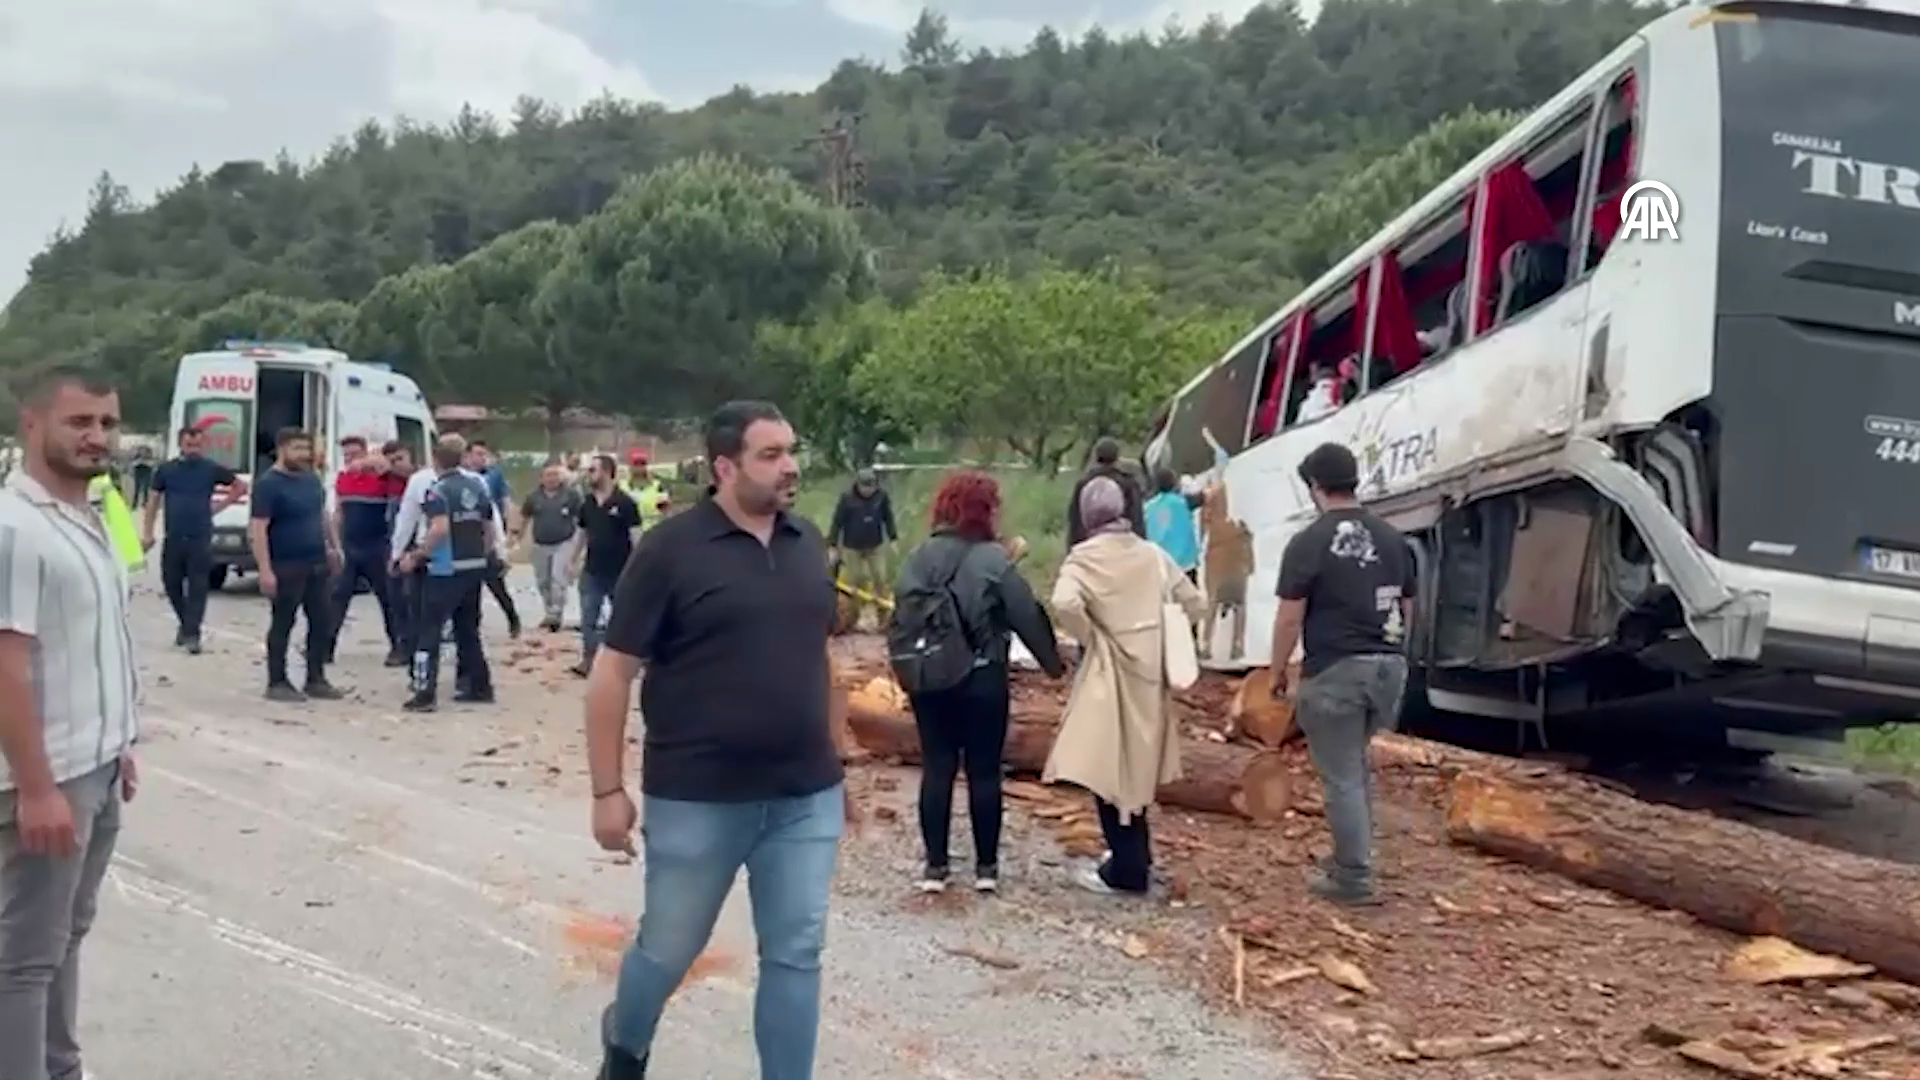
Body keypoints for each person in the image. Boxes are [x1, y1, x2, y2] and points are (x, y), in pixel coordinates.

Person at [585, 400, 846, 1080]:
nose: (790, 466)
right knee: (669, 949)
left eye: (791, 450)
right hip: (698, 796)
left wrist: (837, 756)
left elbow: (818, 654)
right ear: (724, 466)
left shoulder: (807, 542)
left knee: (796, 952)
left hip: (803, 797)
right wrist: (607, 791)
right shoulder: (670, 550)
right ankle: (627, 1045)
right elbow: (612, 672)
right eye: (770, 454)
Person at [0, 364, 140, 1080]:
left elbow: (95, 643)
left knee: (64, 939)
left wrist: (122, 743)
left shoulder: (84, 516)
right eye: (79, 422)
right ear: (32, 424)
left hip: (97, 764)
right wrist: (36, 788)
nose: (97, 437)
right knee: (22, 962)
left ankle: (59, 1068)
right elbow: (5, 664)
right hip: (48, 776)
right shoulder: (14, 528)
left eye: (107, 423)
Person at [894, 470, 1062, 894]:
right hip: (983, 676)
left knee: (937, 768)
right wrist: (1054, 666)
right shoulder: (994, 560)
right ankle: (985, 869)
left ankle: (935, 868)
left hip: (928, 673)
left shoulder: (918, 556)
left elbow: (900, 614)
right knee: (984, 772)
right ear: (986, 512)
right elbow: (1027, 613)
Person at [1044, 476, 1207, 896]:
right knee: (1139, 766)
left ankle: (1127, 870)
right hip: (1151, 675)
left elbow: (1064, 602)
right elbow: (1195, 602)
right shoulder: (1153, 557)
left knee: (1107, 767)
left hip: (1109, 671)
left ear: (1086, 517)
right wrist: (1162, 629)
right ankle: (1136, 858)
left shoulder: (1083, 560)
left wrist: (1092, 634)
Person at [1269, 442, 1414, 907]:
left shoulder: (1309, 541)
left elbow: (1290, 617)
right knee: (1354, 767)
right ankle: (1352, 856)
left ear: (1315, 486)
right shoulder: (1394, 538)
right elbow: (1409, 607)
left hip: (1336, 670)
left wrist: (1277, 673)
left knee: (1343, 777)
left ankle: (1353, 877)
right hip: (1389, 667)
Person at [398, 439, 497, 711]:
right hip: (473, 566)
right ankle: (480, 686)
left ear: (435, 460)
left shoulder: (437, 492)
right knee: (467, 630)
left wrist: (418, 555)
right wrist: (485, 554)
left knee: (428, 631)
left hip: (444, 569)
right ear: (462, 458)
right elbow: (488, 526)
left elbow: (439, 529)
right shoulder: (477, 486)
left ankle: (424, 693)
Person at [249, 427, 345, 702]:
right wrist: (265, 569)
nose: (304, 454)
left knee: (321, 621)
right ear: (282, 449)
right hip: (285, 564)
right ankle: (277, 681)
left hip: (316, 562)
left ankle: (316, 678)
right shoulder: (268, 484)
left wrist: (333, 547)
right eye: (297, 448)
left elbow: (322, 516)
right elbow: (258, 529)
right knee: (283, 622)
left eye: (306, 449)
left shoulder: (311, 480)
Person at [142, 423, 245, 653]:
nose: (193, 447)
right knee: (171, 583)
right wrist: (147, 532)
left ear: (203, 445)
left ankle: (192, 634)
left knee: (198, 586)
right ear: (180, 444)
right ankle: (186, 623)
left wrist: (219, 506)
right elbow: (152, 502)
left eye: (198, 443)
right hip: (174, 535)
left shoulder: (210, 469)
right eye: (189, 443)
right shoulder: (166, 470)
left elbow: (240, 487)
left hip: (200, 535)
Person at [325, 435, 403, 666]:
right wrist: (335, 545)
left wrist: (371, 462)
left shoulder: (382, 476)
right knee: (337, 597)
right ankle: (325, 648)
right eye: (346, 455)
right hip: (350, 546)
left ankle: (398, 647)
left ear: (365, 453)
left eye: (354, 454)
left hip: (378, 546)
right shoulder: (343, 478)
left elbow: (397, 469)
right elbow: (338, 513)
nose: (350, 460)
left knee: (388, 599)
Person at [570, 454, 640, 678]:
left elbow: (636, 537)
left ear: (608, 472)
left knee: (623, 618)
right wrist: (572, 560)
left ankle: (628, 661)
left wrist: (639, 567)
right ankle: (588, 660)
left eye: (593, 470)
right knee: (588, 618)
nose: (589, 474)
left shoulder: (625, 503)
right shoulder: (587, 503)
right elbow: (581, 533)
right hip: (592, 570)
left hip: (620, 571)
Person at [827, 467, 898, 631]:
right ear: (858, 485)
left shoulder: (881, 497)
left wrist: (893, 538)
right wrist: (833, 545)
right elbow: (837, 522)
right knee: (855, 582)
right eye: (865, 486)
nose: (868, 490)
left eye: (871, 486)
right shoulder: (846, 498)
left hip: (875, 545)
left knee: (880, 578)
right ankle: (852, 620)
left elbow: (888, 517)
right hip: (852, 546)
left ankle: (884, 619)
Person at [465, 441, 523, 639]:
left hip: (491, 533)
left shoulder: (494, 475)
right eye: (477, 453)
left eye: (484, 454)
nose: (481, 458)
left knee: (496, 583)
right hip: (468, 537)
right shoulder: (461, 476)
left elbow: (504, 502)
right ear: (467, 456)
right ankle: (472, 625)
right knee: (470, 588)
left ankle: (513, 618)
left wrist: (508, 533)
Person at [520, 461, 582, 632]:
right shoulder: (533, 497)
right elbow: (524, 517)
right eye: (548, 475)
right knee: (542, 581)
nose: (552, 479)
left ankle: (556, 614)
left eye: (556, 475)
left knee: (558, 579)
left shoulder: (571, 495)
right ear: (541, 478)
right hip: (540, 544)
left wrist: (579, 545)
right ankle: (549, 611)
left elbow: (581, 520)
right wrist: (517, 538)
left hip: (564, 542)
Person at [1065, 437, 1146, 547]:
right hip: (1122, 547)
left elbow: (1075, 522)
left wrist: (1073, 549)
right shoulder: (1129, 484)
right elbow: (1137, 521)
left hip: (1089, 547)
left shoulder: (1083, 484)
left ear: (1096, 456)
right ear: (1117, 457)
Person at [1143, 466, 1205, 585]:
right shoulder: (1183, 502)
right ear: (1174, 483)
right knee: (1190, 599)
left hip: (1162, 565)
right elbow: (1202, 498)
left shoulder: (1147, 508)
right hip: (1186, 564)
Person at [620, 448, 670, 532]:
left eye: (642, 463)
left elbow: (665, 511)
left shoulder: (657, 486)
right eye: (636, 464)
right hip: (628, 532)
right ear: (630, 466)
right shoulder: (622, 486)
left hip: (652, 531)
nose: (639, 467)